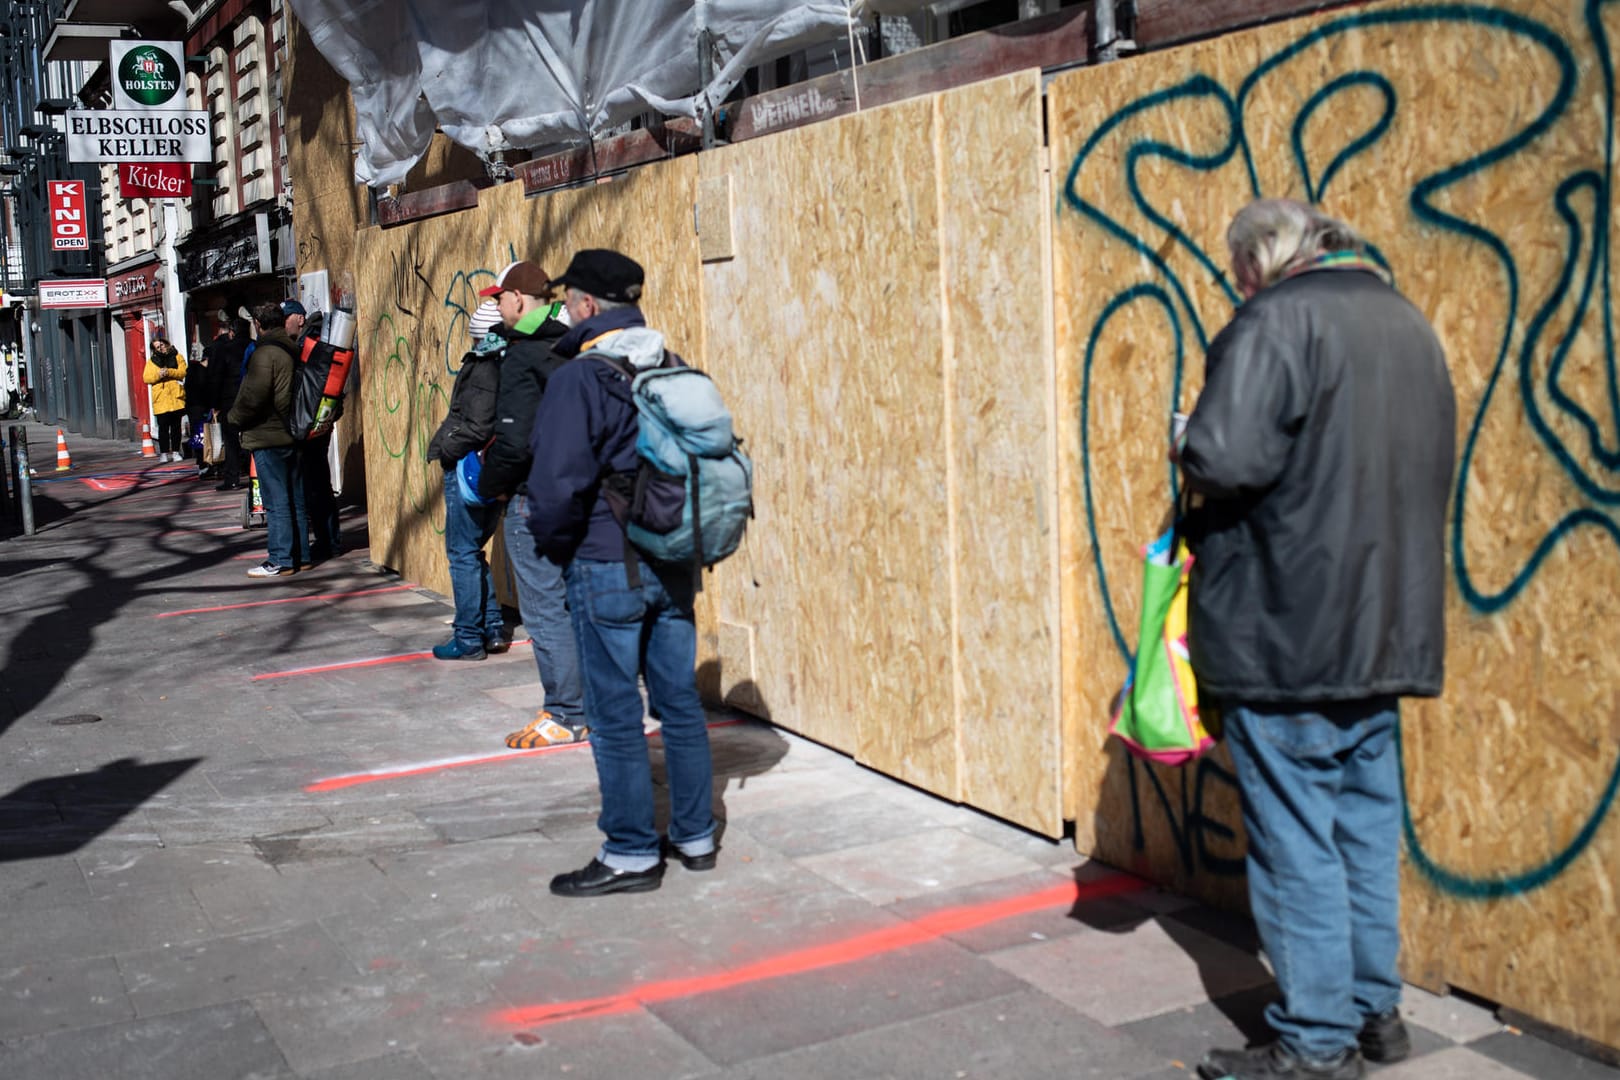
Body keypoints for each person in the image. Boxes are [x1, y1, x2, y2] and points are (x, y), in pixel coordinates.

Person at [1177, 200, 1455, 1080]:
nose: (1234, 287)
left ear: (1262, 261)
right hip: (1383, 629)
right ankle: (1377, 1016)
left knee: (1297, 844)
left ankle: (1317, 1044)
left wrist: (1185, 439)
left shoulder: (1275, 324)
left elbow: (1223, 459)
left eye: (1236, 272)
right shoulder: (1406, 322)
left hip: (1286, 628)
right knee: (1365, 833)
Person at [524, 248, 717, 897]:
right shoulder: (671, 362)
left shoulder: (579, 379)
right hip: (674, 561)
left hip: (606, 565)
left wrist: (557, 550)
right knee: (680, 703)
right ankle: (695, 835)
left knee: (612, 714)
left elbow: (555, 488)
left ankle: (632, 852)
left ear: (583, 305)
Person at [474, 260, 589, 745]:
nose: (497, 307)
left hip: (532, 498)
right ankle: (589, 705)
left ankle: (564, 712)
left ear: (519, 300)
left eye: (500, 299)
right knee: (578, 604)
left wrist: (490, 485)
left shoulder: (522, 356)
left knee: (543, 608)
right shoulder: (572, 345)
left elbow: (514, 439)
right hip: (576, 494)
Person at [425, 298, 509, 660]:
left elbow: (477, 423)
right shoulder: (508, 361)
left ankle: (469, 636)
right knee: (472, 550)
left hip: (469, 468)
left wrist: (448, 449)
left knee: (461, 553)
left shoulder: (484, 365)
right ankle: (491, 627)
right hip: (491, 468)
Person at [228, 302, 309, 578]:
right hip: (292, 431)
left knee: (276, 502)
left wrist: (233, 418)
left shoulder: (265, 354)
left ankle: (280, 558)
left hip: (269, 434)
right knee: (295, 498)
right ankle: (302, 555)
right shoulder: (292, 348)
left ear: (259, 324)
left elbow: (253, 396)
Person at [284, 299, 344, 562]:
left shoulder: (311, 342)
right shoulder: (310, 340)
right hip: (317, 420)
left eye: (286, 317)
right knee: (318, 483)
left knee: (316, 485)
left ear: (298, 317)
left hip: (311, 424)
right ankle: (328, 539)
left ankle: (328, 540)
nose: (284, 323)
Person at [208, 320, 250, 490]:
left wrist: (214, 403)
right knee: (252, 435)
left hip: (230, 399)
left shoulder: (224, 349)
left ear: (232, 332)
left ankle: (232, 478)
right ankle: (253, 472)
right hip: (252, 397)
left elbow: (216, 376)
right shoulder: (255, 346)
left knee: (231, 439)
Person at [143, 337, 187, 463]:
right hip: (161, 399)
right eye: (157, 347)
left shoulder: (177, 356)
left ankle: (176, 452)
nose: (161, 348)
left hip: (176, 398)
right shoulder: (152, 362)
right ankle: (163, 453)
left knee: (176, 427)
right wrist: (158, 375)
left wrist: (169, 372)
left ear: (167, 344)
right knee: (163, 428)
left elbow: (182, 372)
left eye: (161, 345)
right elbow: (146, 378)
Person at [183, 340, 213, 476]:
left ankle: (202, 461)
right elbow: (202, 390)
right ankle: (203, 461)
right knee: (202, 435)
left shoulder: (192, 371)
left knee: (200, 434)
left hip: (194, 407)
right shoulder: (200, 372)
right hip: (199, 408)